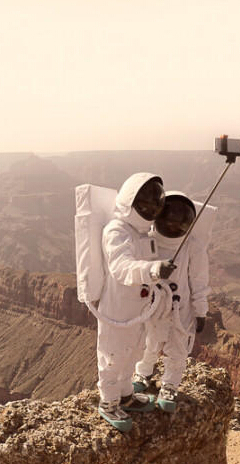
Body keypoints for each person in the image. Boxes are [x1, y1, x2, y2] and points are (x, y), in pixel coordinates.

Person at [96, 173, 175, 432]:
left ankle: (125, 394)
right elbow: (120, 267)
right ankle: (108, 402)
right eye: (146, 202)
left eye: (155, 203)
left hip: (138, 308)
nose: (151, 208)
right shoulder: (116, 231)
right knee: (113, 355)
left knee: (133, 351)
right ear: (130, 200)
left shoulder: (142, 232)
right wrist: (152, 269)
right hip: (117, 308)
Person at [132, 191, 211, 413]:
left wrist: (200, 310)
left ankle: (169, 385)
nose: (174, 225)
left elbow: (199, 280)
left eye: (180, 221)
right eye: (170, 219)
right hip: (152, 303)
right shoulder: (148, 239)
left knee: (178, 346)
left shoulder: (192, 246)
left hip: (180, 306)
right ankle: (143, 373)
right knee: (148, 340)